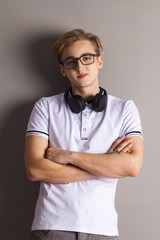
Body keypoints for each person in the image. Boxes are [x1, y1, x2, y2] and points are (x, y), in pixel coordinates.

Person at [25, 29, 144, 240]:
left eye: (86, 58)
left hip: (102, 228)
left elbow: (132, 166)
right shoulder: (45, 107)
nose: (80, 66)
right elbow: (35, 169)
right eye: (71, 62)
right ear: (63, 70)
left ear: (99, 61)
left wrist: (69, 156)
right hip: (52, 226)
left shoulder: (125, 109)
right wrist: (106, 164)